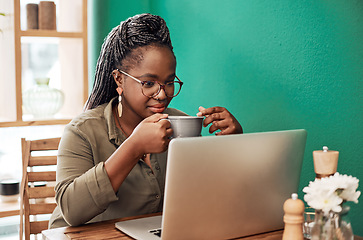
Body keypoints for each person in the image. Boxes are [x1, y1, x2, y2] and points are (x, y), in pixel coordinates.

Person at [49, 13, 243, 228]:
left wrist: (232, 145)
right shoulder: (82, 131)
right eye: (149, 83)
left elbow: (211, 196)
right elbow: (71, 211)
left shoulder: (181, 124)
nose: (162, 94)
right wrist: (134, 147)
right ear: (119, 79)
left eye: (169, 82)